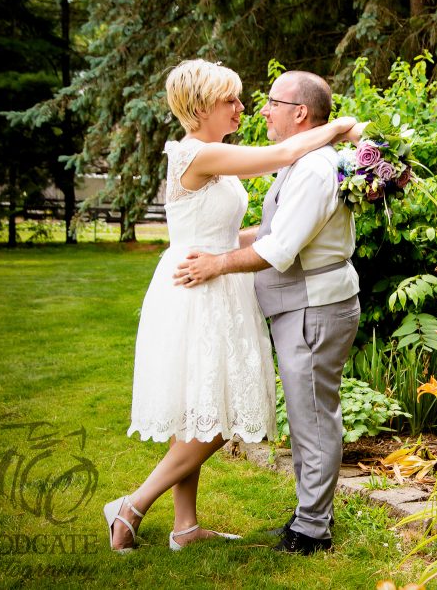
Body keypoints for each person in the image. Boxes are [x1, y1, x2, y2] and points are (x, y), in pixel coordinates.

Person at [102, 59, 360, 553]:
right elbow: (281, 153)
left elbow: (229, 232)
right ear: (201, 107)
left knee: (198, 407)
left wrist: (252, 243)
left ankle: (185, 526)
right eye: (231, 99)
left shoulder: (212, 154)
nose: (243, 107)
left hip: (215, 277)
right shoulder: (197, 153)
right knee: (215, 415)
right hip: (199, 285)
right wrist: (340, 127)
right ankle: (131, 506)